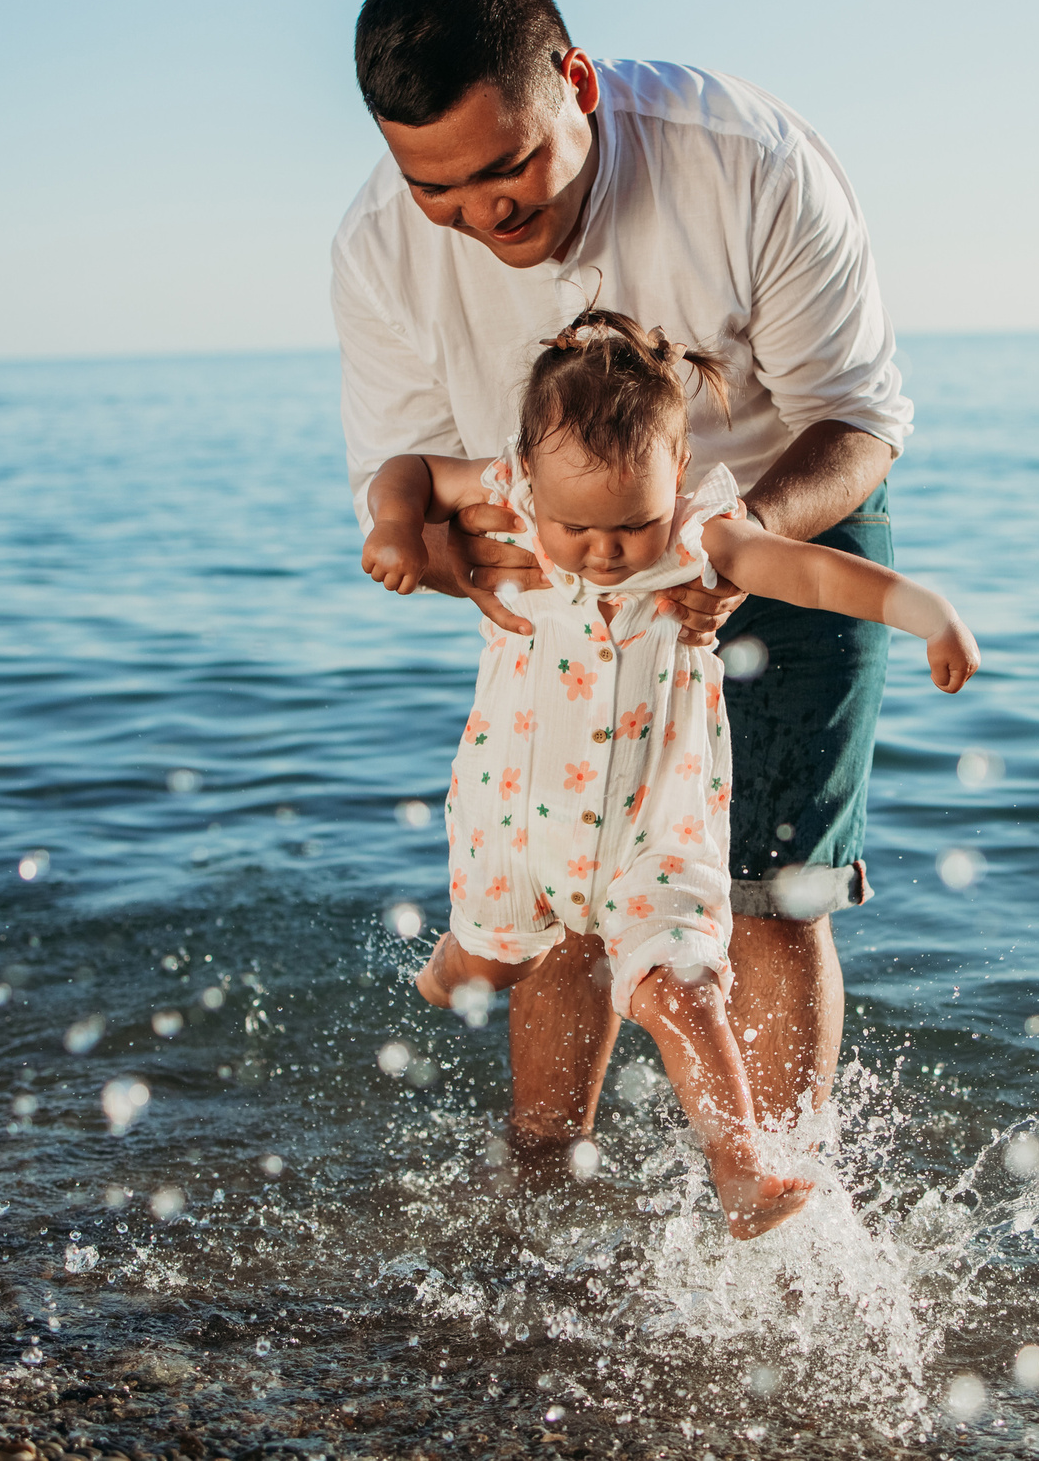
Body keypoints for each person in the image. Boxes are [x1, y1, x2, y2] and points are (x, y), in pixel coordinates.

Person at [334, 0, 915, 1170]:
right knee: (564, 894)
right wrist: (458, 563)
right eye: (439, 191)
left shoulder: (746, 158)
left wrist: (738, 539)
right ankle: (541, 1188)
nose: (484, 217)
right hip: (558, 584)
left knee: (768, 885)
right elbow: (409, 478)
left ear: (577, 86)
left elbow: (859, 422)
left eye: (510, 169)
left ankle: (777, 1199)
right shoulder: (380, 247)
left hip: (786, 504)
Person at [360, 313, 976, 1236]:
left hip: (655, 838)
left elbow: (813, 575)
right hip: (518, 822)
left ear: (679, 478)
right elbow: (403, 468)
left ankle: (743, 1167)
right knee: (493, 957)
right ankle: (456, 962)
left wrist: (924, 609)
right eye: (577, 526)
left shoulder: (700, 541)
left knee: (683, 988)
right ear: (528, 479)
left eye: (633, 524)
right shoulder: (507, 504)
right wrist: (398, 526)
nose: (605, 551)